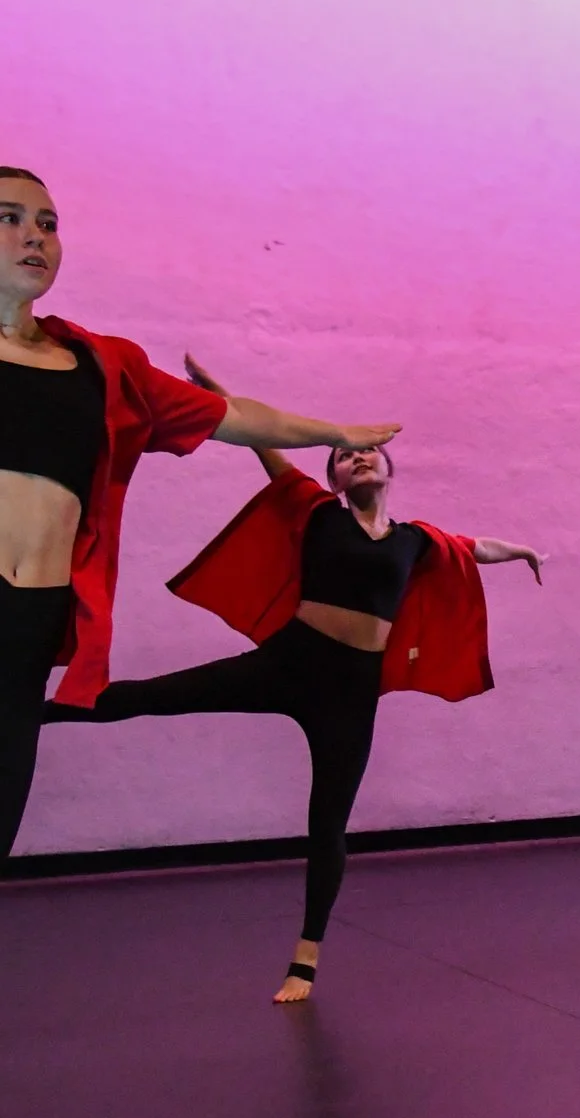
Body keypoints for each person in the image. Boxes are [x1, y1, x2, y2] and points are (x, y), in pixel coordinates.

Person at [45, 358, 545, 1002]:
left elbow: (475, 547)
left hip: (351, 691)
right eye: (344, 456)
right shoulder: (316, 512)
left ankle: (304, 959)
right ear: (333, 477)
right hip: (291, 663)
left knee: (328, 822)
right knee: (152, 697)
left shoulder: (417, 539)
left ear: (389, 470)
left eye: (368, 453)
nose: (357, 459)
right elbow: (262, 442)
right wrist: (219, 396)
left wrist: (524, 550)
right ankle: (34, 710)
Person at [1, 166, 399, 868]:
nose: (34, 235)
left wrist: (336, 428)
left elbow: (234, 416)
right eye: (9, 218)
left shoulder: (103, 365)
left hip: (34, 616)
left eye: (47, 223)